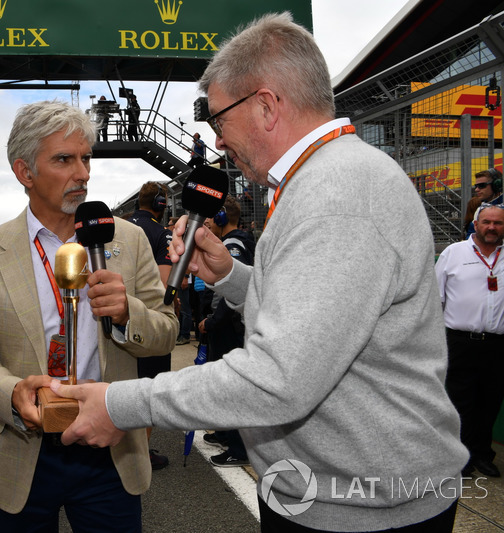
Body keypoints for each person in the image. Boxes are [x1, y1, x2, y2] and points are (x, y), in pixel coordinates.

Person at [52, 13, 468, 533]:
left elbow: (279, 378)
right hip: (328, 493)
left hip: (364, 509)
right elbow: (313, 318)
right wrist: (229, 275)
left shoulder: (337, 194)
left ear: (267, 105)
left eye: (218, 120)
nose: (217, 141)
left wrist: (122, 403)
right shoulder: (319, 179)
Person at [0, 100, 177, 532]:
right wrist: (12, 392)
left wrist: (130, 313)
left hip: (110, 445)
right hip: (23, 448)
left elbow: (166, 332)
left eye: (86, 158)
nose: (83, 173)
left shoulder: (127, 239)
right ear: (25, 172)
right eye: (64, 159)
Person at [435, 203, 504, 478]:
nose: (491, 228)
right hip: (460, 342)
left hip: (497, 345)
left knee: (490, 402)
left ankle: (482, 455)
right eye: (486, 222)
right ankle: (459, 458)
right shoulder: (454, 253)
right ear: (476, 224)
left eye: (497, 223)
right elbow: (435, 299)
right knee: (458, 402)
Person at [197, 196, 253, 468]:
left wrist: (212, 321)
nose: (208, 224)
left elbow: (228, 295)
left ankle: (239, 447)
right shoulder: (233, 240)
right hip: (230, 324)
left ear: (221, 219)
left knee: (230, 385)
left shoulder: (233, 244)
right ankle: (225, 434)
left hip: (230, 327)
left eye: (211, 219)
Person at [128, 181, 174, 470]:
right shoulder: (161, 233)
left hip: (114, 320)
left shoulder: (119, 226)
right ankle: (139, 453)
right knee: (148, 390)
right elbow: (164, 284)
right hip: (148, 321)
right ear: (159, 203)